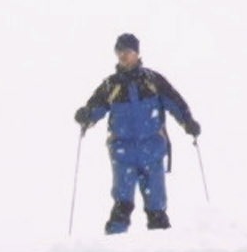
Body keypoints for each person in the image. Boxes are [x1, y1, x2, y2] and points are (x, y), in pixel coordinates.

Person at [73, 33, 200, 233]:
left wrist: (188, 123)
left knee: (156, 207)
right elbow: (95, 107)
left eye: (128, 51)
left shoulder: (153, 81)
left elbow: (175, 103)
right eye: (119, 52)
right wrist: (86, 116)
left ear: (137, 53)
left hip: (152, 150)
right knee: (122, 205)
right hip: (123, 152)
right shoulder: (111, 85)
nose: (123, 56)